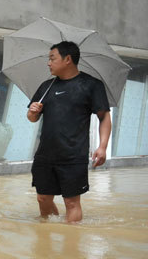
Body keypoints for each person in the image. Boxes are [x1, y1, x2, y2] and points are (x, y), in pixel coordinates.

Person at [27, 41, 111, 223]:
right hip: (45, 154)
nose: (48, 63)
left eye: (52, 58)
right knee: (43, 198)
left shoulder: (91, 85)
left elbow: (104, 117)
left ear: (67, 59)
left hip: (73, 156)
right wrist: (32, 112)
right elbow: (32, 118)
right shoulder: (47, 86)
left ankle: (71, 239)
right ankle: (48, 233)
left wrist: (102, 147)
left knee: (71, 202)